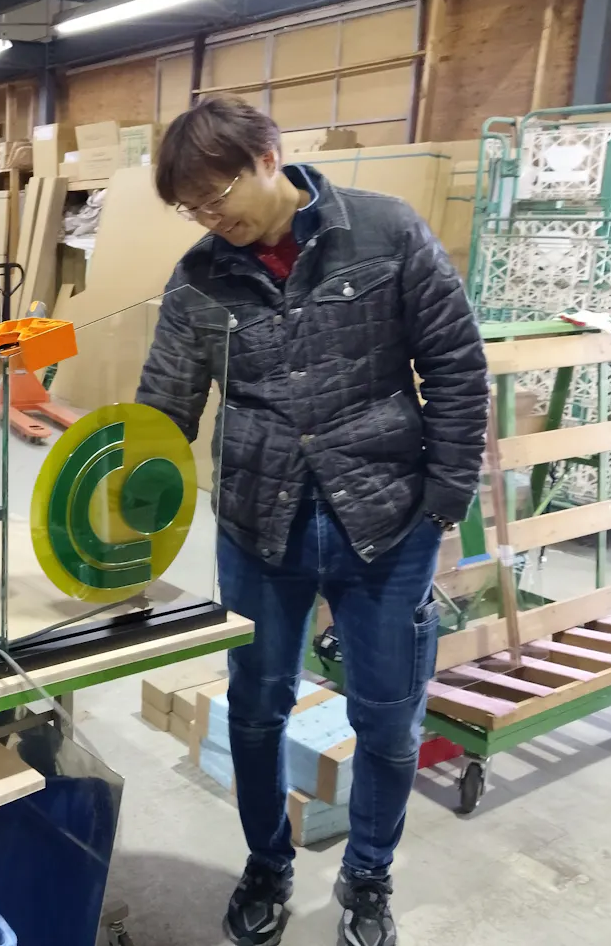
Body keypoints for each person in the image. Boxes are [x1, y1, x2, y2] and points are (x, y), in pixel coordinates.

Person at [136, 96, 488, 946]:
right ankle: (267, 863)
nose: (210, 219)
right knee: (256, 709)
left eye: (217, 196)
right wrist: (120, 512)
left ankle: (368, 876)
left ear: (268, 157)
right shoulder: (199, 277)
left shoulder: (385, 232)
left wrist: (443, 500)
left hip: (387, 518)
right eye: (191, 208)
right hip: (259, 524)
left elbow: (455, 366)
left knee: (388, 718)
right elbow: (163, 409)